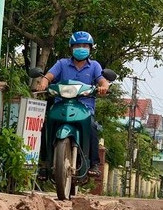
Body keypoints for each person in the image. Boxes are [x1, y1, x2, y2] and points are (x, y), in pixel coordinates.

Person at [37, 31, 109, 176]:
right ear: (71, 48)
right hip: (61, 105)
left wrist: (104, 87)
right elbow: (48, 76)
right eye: (77, 45)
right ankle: (44, 163)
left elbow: (102, 80)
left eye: (84, 46)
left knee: (92, 127)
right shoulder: (62, 64)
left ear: (90, 49)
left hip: (84, 108)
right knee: (46, 124)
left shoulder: (94, 66)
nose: (81, 48)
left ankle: (94, 164)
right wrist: (43, 83)